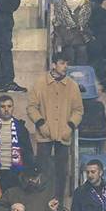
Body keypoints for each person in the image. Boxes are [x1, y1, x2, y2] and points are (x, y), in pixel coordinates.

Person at [27, 52, 84, 199]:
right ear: (53, 65)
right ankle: (41, 205)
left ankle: (57, 209)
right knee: (42, 171)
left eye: (66, 63)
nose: (65, 66)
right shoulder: (40, 83)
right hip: (44, 135)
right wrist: (41, 124)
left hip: (63, 136)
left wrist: (69, 127)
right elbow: (32, 107)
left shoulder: (72, 86)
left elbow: (78, 110)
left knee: (61, 174)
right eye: (62, 63)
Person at [51, 0, 92, 65]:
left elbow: (83, 26)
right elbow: (58, 26)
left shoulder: (86, 6)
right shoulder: (60, 5)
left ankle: (81, 74)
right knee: (69, 52)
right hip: (64, 39)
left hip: (80, 38)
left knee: (82, 50)